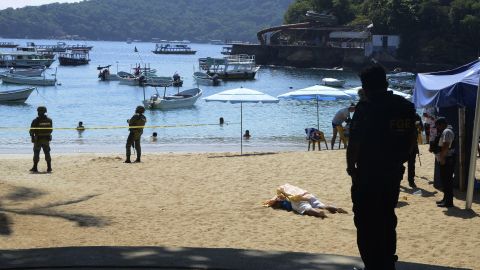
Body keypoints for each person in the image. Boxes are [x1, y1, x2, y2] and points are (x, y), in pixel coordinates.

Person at [347, 64, 417, 270]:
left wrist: (351, 169)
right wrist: (400, 161)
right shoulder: (405, 106)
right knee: (387, 217)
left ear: (365, 87)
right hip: (393, 171)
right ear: (386, 83)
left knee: (365, 220)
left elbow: (355, 143)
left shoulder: (365, 108)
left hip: (368, 172)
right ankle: (387, 261)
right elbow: (412, 139)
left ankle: (371, 264)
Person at [263, 184, 348, 219]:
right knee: (320, 205)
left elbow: (273, 200)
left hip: (297, 198)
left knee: (306, 208)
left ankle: (319, 213)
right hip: (307, 194)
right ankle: (335, 208)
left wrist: (268, 203)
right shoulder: (291, 186)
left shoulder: (280, 191)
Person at [433, 117, 455, 208]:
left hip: (447, 159)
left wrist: (442, 158)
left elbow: (446, 146)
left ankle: (449, 202)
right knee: (445, 181)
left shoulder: (447, 132)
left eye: (438, 126)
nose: (437, 128)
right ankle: (445, 199)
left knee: (447, 181)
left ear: (441, 124)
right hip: (446, 158)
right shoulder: (446, 131)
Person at [29, 106, 53, 173]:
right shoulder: (49, 120)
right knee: (47, 153)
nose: (39, 113)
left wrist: (32, 138)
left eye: (39, 111)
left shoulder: (35, 121)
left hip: (38, 140)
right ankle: (49, 167)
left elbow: (31, 131)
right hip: (46, 139)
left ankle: (35, 167)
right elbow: (51, 130)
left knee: (36, 153)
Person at [407, 113, 423, 188]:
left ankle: (411, 181)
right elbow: (420, 128)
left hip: (410, 144)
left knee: (410, 164)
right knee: (411, 164)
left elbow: (420, 128)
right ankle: (411, 181)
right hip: (410, 144)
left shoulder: (414, 116)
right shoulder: (416, 116)